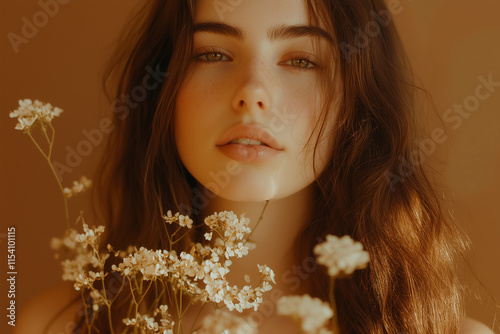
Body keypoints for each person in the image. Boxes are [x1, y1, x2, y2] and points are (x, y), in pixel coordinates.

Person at [14, 0, 495, 333]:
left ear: (357, 105)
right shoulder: (60, 325)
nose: (253, 92)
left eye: (301, 60)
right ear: (162, 89)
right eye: (213, 53)